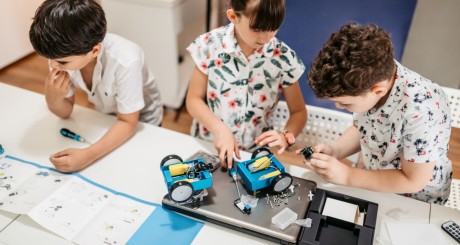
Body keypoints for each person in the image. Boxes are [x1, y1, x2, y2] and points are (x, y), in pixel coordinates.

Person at [302, 22, 452, 204]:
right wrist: (336, 150)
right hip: (373, 182)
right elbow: (365, 127)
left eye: (344, 102)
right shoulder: (373, 75)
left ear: (377, 90)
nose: (339, 107)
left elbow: (413, 181)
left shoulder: (421, 109)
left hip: (414, 201)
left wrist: (348, 176)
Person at [29, 0, 163, 172]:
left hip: (142, 120)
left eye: (61, 62)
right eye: (49, 59)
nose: (53, 65)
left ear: (94, 51)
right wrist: (52, 98)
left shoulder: (126, 60)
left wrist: (88, 155)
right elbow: (66, 111)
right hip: (105, 116)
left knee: (134, 167)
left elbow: (128, 122)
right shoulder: (59, 57)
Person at [186, 0, 307, 168]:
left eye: (273, 28)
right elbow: (193, 100)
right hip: (209, 145)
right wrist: (219, 129)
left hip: (256, 155)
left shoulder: (283, 57)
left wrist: (285, 135)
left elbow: (299, 112)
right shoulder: (209, 45)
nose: (266, 37)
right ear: (233, 16)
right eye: (257, 29)